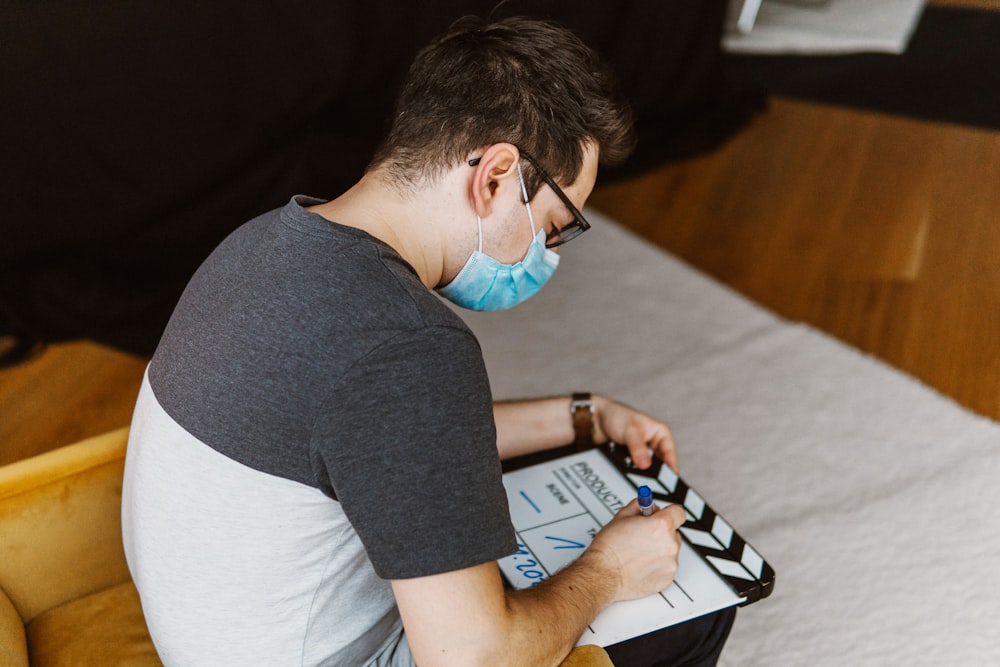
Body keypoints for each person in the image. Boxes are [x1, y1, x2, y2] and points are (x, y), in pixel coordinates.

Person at [121, 14, 734, 667]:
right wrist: (610, 569)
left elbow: (388, 437)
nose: (548, 256)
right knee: (691, 609)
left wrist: (581, 415)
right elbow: (474, 658)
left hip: (211, 636)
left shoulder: (264, 240)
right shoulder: (407, 344)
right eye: (556, 227)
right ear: (494, 176)